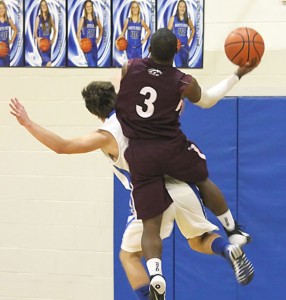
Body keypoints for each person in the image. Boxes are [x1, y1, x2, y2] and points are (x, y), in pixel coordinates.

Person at [10, 81, 253, 300]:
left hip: (150, 196)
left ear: (95, 113)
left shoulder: (105, 135)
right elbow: (177, 103)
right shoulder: (143, 112)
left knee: (129, 256)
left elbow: (62, 147)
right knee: (198, 239)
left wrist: (28, 123)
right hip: (181, 186)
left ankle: (151, 294)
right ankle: (227, 248)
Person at [115, 28, 257, 299]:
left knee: (150, 226)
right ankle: (232, 230)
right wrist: (237, 73)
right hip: (171, 148)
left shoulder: (129, 67)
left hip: (141, 153)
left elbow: (132, 80)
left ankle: (156, 273)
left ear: (149, 47)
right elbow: (209, 100)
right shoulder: (183, 81)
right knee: (202, 178)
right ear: (178, 49)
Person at [167, 0, 195, 67]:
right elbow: (168, 32)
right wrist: (172, 42)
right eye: (180, 6)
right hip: (177, 47)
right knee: (179, 66)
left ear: (186, 8)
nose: (182, 8)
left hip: (185, 47)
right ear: (178, 7)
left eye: (184, 7)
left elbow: (193, 30)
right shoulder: (173, 18)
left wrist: (188, 41)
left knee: (186, 67)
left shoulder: (188, 20)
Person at [77, 0, 103, 67]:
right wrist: (80, 43)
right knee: (92, 65)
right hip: (87, 46)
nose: (89, 8)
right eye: (87, 6)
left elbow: (101, 29)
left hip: (94, 46)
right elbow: (78, 33)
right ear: (85, 8)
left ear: (92, 7)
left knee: (95, 65)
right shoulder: (83, 19)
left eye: (90, 6)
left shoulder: (96, 19)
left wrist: (98, 39)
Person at [34, 0, 56, 67]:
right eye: (42, 5)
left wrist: (53, 40)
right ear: (40, 7)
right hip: (41, 45)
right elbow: (35, 32)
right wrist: (38, 39)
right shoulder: (38, 18)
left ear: (47, 6)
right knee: (49, 63)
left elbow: (55, 30)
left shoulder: (50, 17)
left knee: (44, 64)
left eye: (45, 5)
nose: (44, 6)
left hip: (48, 44)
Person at [0, 0, 17, 67]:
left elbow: (15, 30)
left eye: (3, 8)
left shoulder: (8, 20)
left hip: (6, 49)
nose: (1, 10)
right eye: (0, 8)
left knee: (7, 68)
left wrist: (12, 39)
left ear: (5, 9)